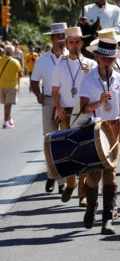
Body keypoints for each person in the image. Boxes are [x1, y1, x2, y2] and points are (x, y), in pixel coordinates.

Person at [80, 39, 120, 235]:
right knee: (94, 175)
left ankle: (107, 219)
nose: (107, 61)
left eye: (111, 58)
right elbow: (84, 108)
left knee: (110, 171)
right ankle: (91, 206)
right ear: (97, 57)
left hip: (114, 127)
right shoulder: (88, 79)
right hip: (95, 128)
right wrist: (98, 103)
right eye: (104, 58)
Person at [90, 29, 120, 217]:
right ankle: (99, 205)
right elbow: (85, 103)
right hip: (99, 125)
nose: (108, 59)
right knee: (99, 171)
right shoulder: (91, 72)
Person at [51, 27, 97, 206]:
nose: (75, 45)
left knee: (83, 152)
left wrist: (89, 76)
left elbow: (96, 89)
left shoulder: (91, 65)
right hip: (67, 111)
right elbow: (55, 91)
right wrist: (58, 107)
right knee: (67, 150)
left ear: (82, 43)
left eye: (77, 42)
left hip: (84, 110)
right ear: (67, 44)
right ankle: (71, 183)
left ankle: (82, 194)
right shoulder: (60, 65)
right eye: (71, 42)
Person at [31, 23, 68, 193]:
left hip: (68, 102)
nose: (61, 39)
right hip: (49, 102)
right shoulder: (43, 59)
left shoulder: (73, 57)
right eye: (58, 36)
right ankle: (54, 177)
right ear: (52, 38)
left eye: (63, 36)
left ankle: (66, 178)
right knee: (49, 140)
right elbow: (34, 81)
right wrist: (38, 95)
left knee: (68, 140)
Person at [0, 45, 23, 129]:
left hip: (1, 85)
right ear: (12, 53)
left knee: (6, 104)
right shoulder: (15, 62)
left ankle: (9, 119)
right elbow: (20, 74)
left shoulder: (0, 59)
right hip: (11, 85)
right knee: (8, 105)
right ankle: (6, 122)